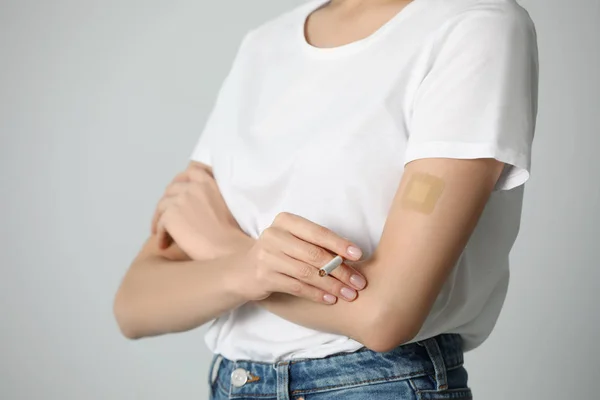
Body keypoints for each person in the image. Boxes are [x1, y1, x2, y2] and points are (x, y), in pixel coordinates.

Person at [113, 0, 539, 398]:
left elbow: (383, 316)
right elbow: (135, 304)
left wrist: (227, 251)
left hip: (376, 383)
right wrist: (245, 268)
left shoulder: (475, 23)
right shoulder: (264, 44)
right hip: (234, 382)